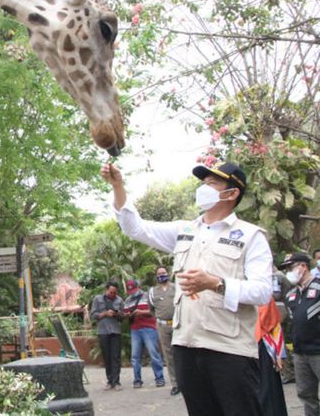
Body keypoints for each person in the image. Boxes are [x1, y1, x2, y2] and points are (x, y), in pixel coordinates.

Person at [101, 161, 272, 416]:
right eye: (204, 183)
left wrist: (215, 283)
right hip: (186, 346)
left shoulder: (251, 236)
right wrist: (118, 185)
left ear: (232, 193)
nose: (204, 188)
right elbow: (135, 228)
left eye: (213, 183)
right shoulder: (185, 230)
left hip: (229, 350)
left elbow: (261, 291)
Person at [279, 251, 320, 416]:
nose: (288, 271)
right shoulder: (291, 295)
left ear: (303, 266)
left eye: (291, 267)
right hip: (300, 353)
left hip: (318, 350)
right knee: (305, 394)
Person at [123, 278, 165, 389]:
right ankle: (137, 380)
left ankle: (159, 378)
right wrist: (128, 315)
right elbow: (125, 313)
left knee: (153, 353)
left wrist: (141, 312)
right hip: (135, 329)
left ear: (138, 287)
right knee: (135, 356)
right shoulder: (127, 300)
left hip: (149, 328)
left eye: (134, 290)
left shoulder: (147, 296)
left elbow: (155, 311)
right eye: (130, 291)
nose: (132, 292)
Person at [148, 265, 179, 395]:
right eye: (159, 274)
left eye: (164, 273)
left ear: (168, 273)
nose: (162, 275)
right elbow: (151, 309)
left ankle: (187, 382)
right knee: (168, 355)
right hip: (163, 326)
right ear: (156, 276)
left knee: (181, 354)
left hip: (178, 325)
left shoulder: (176, 287)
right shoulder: (153, 291)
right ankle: (175, 384)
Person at [255, 298, 288, 416]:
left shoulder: (264, 296)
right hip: (240, 348)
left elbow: (275, 325)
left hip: (263, 348)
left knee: (268, 391)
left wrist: (279, 353)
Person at [90, 282, 124, 391]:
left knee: (116, 357)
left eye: (114, 293)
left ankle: (117, 381)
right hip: (103, 331)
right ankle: (110, 381)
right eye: (111, 292)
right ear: (106, 290)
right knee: (107, 357)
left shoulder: (119, 300)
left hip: (115, 331)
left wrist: (117, 314)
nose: (112, 294)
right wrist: (105, 314)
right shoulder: (97, 299)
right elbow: (93, 315)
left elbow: (123, 317)